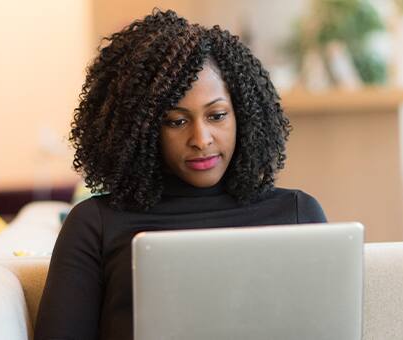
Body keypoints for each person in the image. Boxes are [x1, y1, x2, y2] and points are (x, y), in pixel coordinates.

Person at [34, 9, 327, 340]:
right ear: (141, 130)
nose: (201, 139)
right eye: (176, 121)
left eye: (216, 116)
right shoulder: (94, 225)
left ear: (243, 115)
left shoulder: (298, 214)